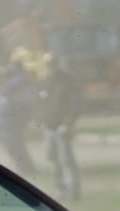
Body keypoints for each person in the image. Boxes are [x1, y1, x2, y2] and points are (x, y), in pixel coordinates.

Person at [39, 54, 81, 200]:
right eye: (47, 64)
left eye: (52, 64)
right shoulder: (46, 81)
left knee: (66, 159)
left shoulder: (67, 81)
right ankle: (60, 189)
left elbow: (74, 104)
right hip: (49, 127)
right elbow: (42, 103)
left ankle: (73, 191)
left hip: (62, 127)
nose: (50, 67)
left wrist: (67, 123)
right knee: (53, 159)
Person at [0, 56, 37, 176]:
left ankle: (24, 167)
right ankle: (26, 166)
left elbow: (6, 95)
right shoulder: (18, 80)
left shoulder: (19, 81)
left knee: (13, 144)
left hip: (13, 119)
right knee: (15, 143)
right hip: (12, 118)